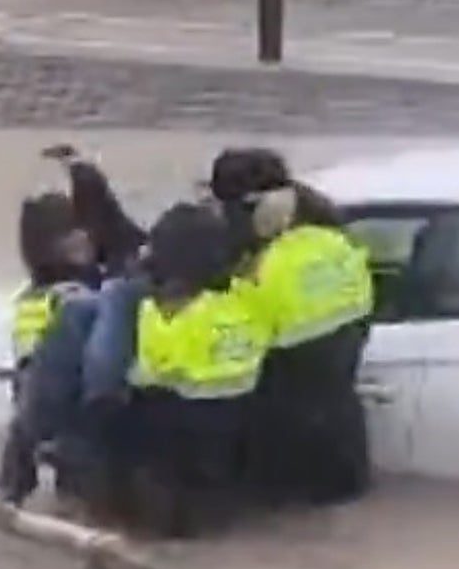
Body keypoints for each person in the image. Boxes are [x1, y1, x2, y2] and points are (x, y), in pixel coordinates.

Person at [110, 202, 269, 537]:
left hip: (181, 427)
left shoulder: (164, 314)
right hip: (238, 418)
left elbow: (147, 376)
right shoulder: (247, 297)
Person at [237, 182, 374, 506]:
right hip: (348, 341)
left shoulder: (270, 262)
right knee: (340, 410)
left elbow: (248, 319)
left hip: (298, 362)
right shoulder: (338, 243)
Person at [0, 192, 102, 505]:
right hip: (58, 410)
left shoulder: (82, 285)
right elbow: (35, 374)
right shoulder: (52, 298)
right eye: (72, 232)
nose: (84, 238)